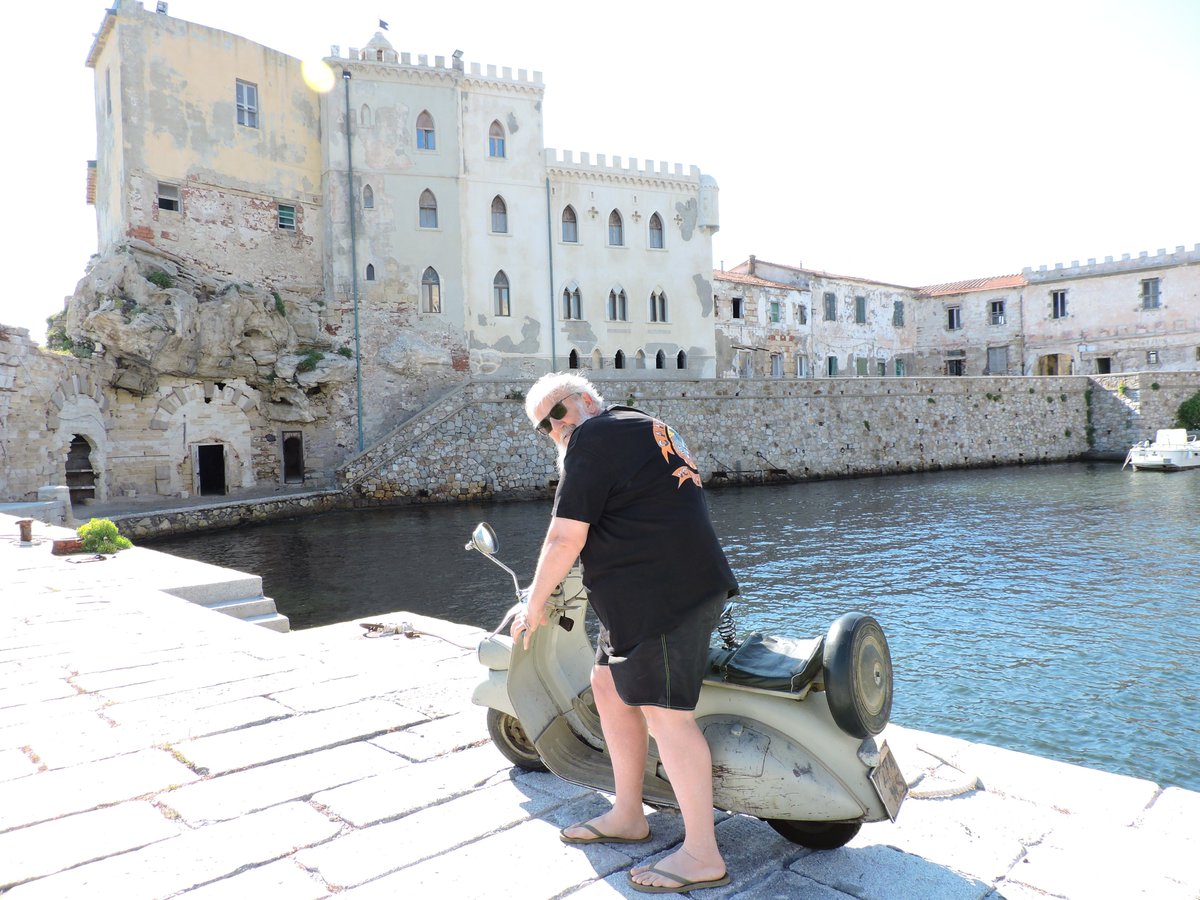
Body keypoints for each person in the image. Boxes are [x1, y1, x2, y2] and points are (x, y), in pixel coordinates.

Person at [512, 372, 739, 894]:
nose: (555, 428)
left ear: (587, 401)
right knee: (607, 686)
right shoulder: (645, 425)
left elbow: (565, 536)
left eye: (557, 412)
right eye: (543, 426)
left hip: (661, 597)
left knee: (667, 717)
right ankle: (628, 813)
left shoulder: (591, 437)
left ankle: (703, 853)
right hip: (650, 593)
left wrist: (534, 603)